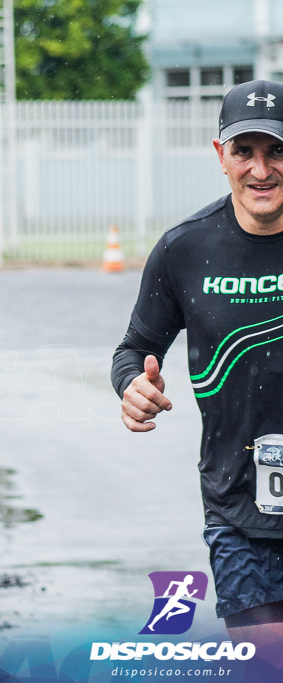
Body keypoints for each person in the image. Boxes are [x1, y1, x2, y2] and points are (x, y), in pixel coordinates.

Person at [112, 80, 283, 651]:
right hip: (236, 507)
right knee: (265, 660)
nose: (261, 170)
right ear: (220, 156)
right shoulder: (185, 249)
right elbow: (133, 347)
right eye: (245, 152)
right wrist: (133, 385)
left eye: (277, 150)